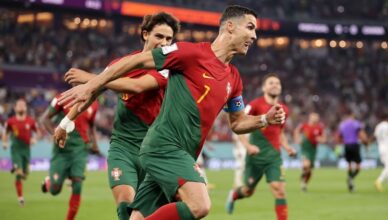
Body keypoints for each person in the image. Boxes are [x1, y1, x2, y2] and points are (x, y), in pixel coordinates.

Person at [57, 5, 286, 220]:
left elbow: (237, 123)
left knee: (136, 216)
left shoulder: (234, 78)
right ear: (230, 26)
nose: (254, 36)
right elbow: (137, 60)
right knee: (200, 205)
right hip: (164, 146)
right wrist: (91, 85)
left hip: (183, 154)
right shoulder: (190, 54)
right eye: (250, 27)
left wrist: (265, 119)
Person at [56, 12, 180, 220]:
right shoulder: (120, 64)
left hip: (155, 150)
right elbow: (90, 94)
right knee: (125, 205)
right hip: (123, 146)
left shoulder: (168, 68)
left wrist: (93, 79)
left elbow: (136, 86)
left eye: (169, 39)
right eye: (159, 36)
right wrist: (66, 121)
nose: (164, 43)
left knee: (153, 213)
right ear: (145, 34)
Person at [225, 73, 296, 220]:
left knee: (279, 190)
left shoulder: (284, 109)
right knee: (248, 191)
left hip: (274, 156)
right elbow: (239, 124)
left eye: (277, 83)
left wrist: (287, 147)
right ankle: (234, 194)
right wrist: (248, 146)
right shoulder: (255, 105)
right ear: (264, 87)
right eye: (271, 83)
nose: (275, 85)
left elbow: (280, 132)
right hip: (255, 156)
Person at [39, 95, 99, 220]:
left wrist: (95, 144)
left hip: (80, 149)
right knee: (55, 190)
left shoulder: (93, 102)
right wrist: (56, 134)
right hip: (62, 151)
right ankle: (50, 181)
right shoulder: (62, 98)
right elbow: (44, 119)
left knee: (77, 184)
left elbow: (91, 125)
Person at [2, 98, 40, 206]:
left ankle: (16, 168)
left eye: (23, 105)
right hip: (16, 149)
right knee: (19, 173)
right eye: (19, 105)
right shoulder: (10, 121)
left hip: (26, 150)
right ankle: (20, 198)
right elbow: (5, 133)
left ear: (26, 108)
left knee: (25, 174)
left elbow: (37, 132)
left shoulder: (31, 121)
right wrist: (4, 143)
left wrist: (34, 139)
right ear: (15, 108)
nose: (21, 107)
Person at [294, 112, 326, 192]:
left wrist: (320, 139)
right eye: (314, 117)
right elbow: (296, 131)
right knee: (306, 165)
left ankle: (304, 184)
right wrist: (297, 139)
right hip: (305, 149)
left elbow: (324, 139)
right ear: (310, 117)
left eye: (317, 117)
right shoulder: (304, 125)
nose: (316, 118)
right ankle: (303, 171)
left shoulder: (319, 128)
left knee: (309, 171)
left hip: (313, 151)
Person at [338, 110, 368, 192]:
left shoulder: (342, 124)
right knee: (358, 166)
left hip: (346, 145)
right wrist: (366, 143)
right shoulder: (356, 123)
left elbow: (339, 136)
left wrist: (343, 142)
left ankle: (350, 179)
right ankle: (351, 178)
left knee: (349, 164)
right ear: (352, 115)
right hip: (354, 145)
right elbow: (361, 134)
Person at [374, 113, 388, 192]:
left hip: (380, 147)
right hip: (387, 147)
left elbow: (375, 136)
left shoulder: (378, 126)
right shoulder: (387, 126)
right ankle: (379, 180)